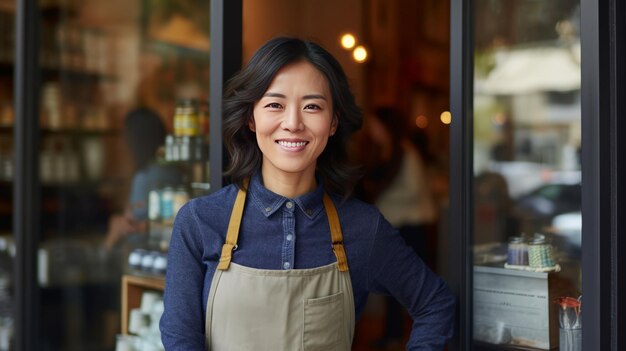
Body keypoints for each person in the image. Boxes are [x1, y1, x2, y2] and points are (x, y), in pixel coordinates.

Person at [159, 37, 454, 350]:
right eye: (275, 104)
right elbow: (180, 339)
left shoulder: (362, 228)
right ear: (251, 118)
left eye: (312, 106)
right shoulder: (199, 221)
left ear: (333, 122)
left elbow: (435, 303)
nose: (293, 123)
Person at [355, 107, 438, 350]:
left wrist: (381, 196)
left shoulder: (404, 152)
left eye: (375, 125)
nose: (372, 131)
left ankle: (411, 338)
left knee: (409, 288)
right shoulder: (389, 151)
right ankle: (394, 335)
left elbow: (413, 190)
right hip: (397, 223)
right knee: (393, 287)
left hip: (409, 225)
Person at [104, 107, 182, 249]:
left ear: (135, 141)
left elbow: (134, 231)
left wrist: (115, 232)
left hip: (151, 255)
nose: (121, 143)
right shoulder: (172, 171)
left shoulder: (145, 177)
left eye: (124, 135)